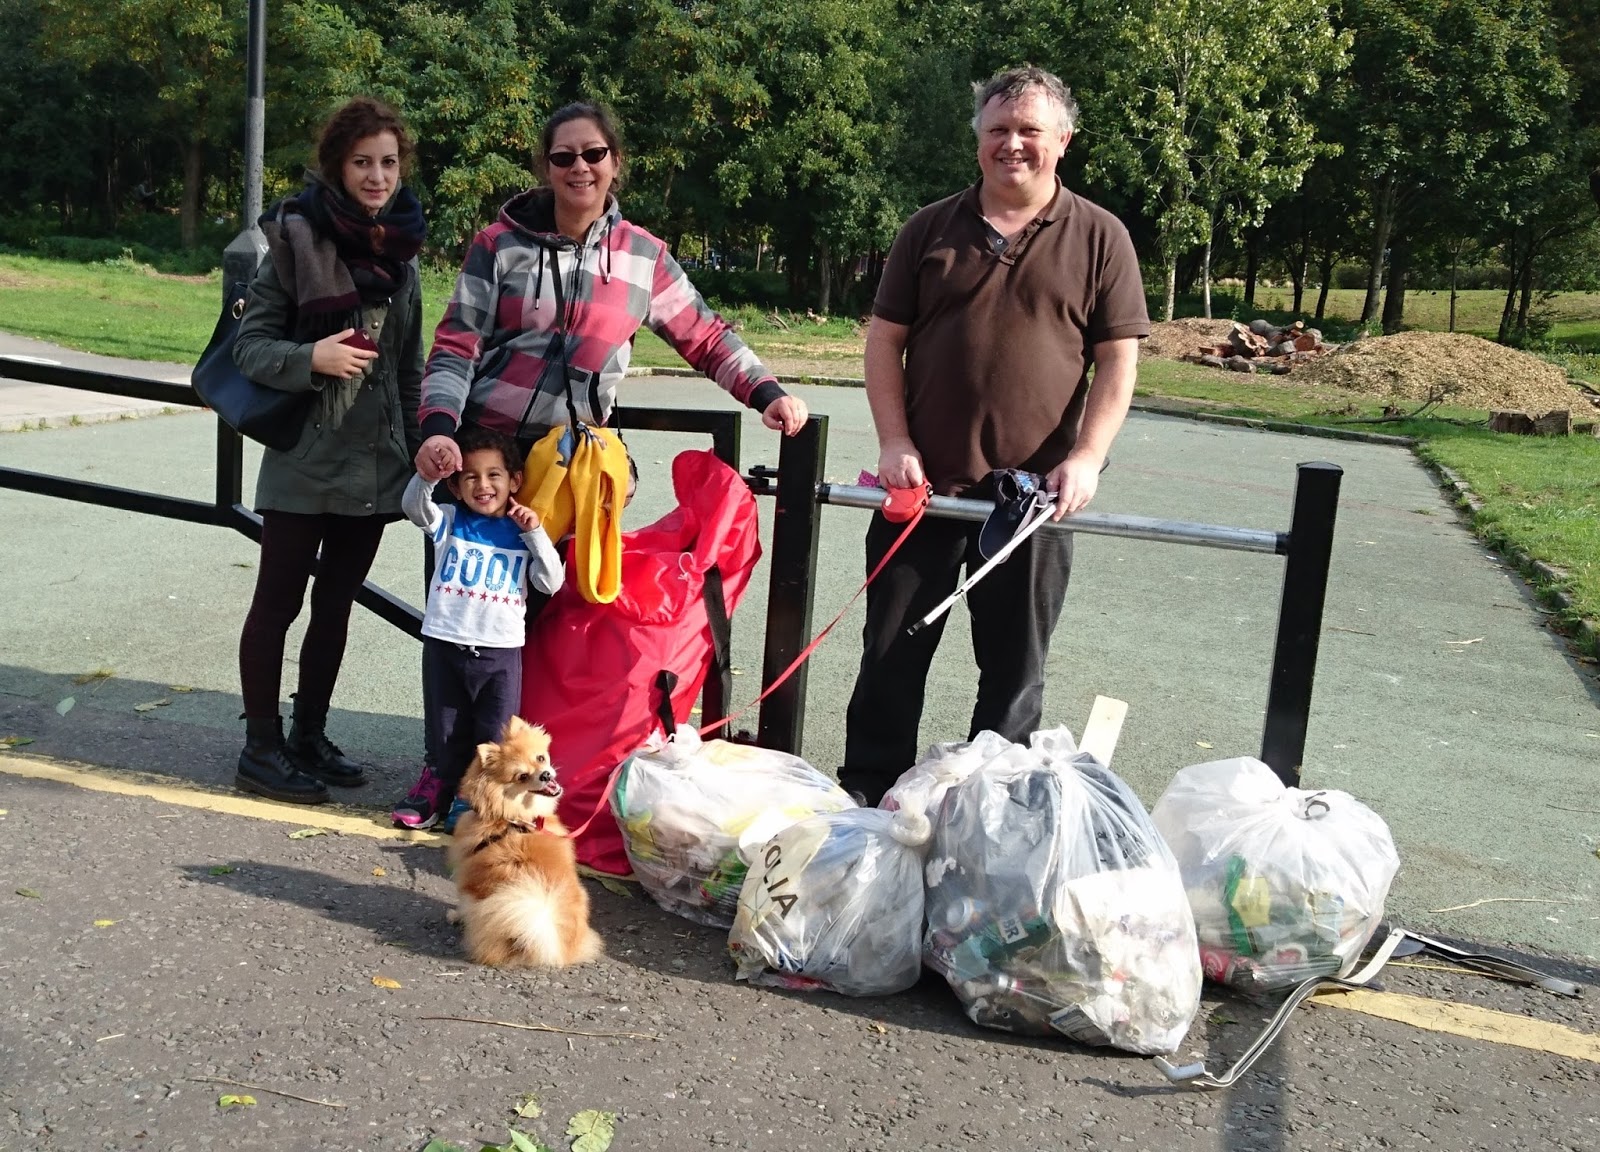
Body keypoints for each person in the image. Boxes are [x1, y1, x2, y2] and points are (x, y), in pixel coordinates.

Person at [838, 66, 1149, 807]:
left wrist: (1086, 458)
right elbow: (885, 342)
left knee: (1014, 674)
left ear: (1063, 141)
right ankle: (865, 807)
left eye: (1029, 132)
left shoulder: (1101, 237)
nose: (1013, 145)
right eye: (998, 131)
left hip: (1031, 504)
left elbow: (1118, 362)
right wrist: (893, 441)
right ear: (978, 139)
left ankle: (993, 816)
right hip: (926, 492)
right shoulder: (929, 229)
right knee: (889, 659)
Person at [411, 99, 808, 482]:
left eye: (594, 154)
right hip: (486, 456)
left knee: (578, 555)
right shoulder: (499, 245)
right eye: (563, 157)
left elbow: (707, 338)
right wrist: (439, 427)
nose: (579, 167)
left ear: (615, 162)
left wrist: (766, 393)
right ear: (547, 168)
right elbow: (456, 349)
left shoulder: (643, 257)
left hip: (573, 461)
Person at [232, 97, 429, 805]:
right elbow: (250, 346)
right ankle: (261, 745)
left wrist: (413, 456)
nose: (377, 177)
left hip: (374, 462)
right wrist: (309, 355)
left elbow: (410, 368)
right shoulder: (296, 239)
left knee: (337, 605)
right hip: (305, 457)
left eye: (388, 162)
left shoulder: (403, 256)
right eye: (362, 163)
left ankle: (309, 735)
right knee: (277, 602)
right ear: (337, 168)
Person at [390, 426, 564, 829]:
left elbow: (550, 582)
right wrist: (428, 476)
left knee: (495, 734)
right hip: (445, 643)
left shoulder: (525, 534)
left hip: (500, 652)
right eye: (470, 476)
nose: (482, 485)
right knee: (444, 729)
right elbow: (414, 507)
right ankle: (437, 784)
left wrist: (535, 533)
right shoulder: (449, 521)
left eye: (493, 475)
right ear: (456, 485)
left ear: (514, 481)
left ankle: (473, 799)